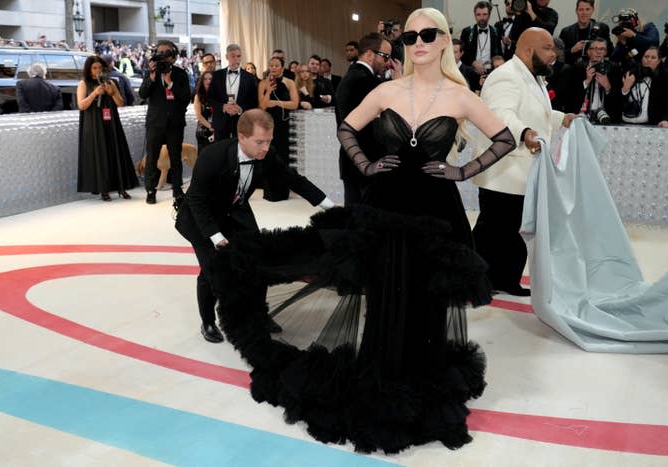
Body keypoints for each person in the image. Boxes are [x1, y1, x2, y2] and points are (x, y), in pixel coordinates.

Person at [215, 7, 517, 454]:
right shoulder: (387, 89)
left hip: (436, 214)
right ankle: (385, 385)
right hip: (387, 207)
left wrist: (461, 171)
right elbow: (347, 127)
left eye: (428, 34)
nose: (417, 43)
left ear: (443, 40)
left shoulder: (461, 96)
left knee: (425, 300)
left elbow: (505, 139)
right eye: (409, 36)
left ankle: (423, 387)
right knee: (385, 296)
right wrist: (368, 165)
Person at [174, 109, 334, 343]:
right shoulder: (212, 156)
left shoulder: (266, 155)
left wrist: (331, 207)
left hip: (235, 210)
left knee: (258, 260)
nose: (266, 148)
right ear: (241, 137)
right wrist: (217, 237)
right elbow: (197, 201)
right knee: (212, 270)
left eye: (269, 141)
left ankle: (259, 315)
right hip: (201, 217)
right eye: (260, 142)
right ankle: (208, 321)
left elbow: (294, 180)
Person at [472, 28, 577, 296]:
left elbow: (536, 112)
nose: (554, 54)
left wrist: (561, 118)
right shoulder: (505, 76)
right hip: (503, 172)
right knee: (494, 232)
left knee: (515, 232)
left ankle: (505, 280)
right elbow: (500, 114)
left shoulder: (533, 76)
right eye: (548, 48)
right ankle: (476, 282)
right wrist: (524, 132)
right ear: (528, 50)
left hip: (522, 171)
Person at [334, 32, 398, 206]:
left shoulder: (352, 77)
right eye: (385, 57)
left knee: (356, 218)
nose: (388, 63)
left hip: (353, 161)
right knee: (367, 221)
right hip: (366, 162)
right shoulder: (364, 81)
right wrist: (399, 82)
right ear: (369, 53)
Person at [76, 56, 138, 201]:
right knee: (100, 154)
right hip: (94, 125)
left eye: (100, 68)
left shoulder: (111, 82)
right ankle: (104, 189)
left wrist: (112, 93)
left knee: (116, 152)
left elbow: (120, 103)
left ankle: (121, 187)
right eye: (94, 68)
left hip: (112, 123)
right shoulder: (84, 84)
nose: (97, 71)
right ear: (89, 69)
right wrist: (94, 94)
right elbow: (82, 105)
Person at [139, 40, 191, 205]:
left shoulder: (180, 74)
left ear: (173, 56)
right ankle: (150, 190)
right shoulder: (151, 72)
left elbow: (185, 97)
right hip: (155, 123)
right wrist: (152, 77)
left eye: (166, 53)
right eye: (160, 52)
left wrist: (170, 83)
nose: (163, 56)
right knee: (152, 158)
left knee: (175, 158)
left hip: (174, 123)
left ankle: (177, 190)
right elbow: (142, 93)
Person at [258, 56, 299, 201]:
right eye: (271, 65)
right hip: (268, 124)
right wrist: (268, 91)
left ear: (282, 67)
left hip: (284, 124)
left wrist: (276, 102)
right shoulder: (263, 83)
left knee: (283, 155)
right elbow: (262, 106)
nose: (273, 68)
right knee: (268, 155)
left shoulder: (290, 82)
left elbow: (294, 104)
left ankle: (283, 190)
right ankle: (269, 191)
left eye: (276, 65)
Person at [207, 44, 259, 142]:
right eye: (233, 56)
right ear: (227, 57)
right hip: (221, 121)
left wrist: (241, 109)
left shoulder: (250, 78)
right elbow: (210, 98)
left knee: (240, 152)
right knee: (221, 152)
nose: (236, 59)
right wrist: (223, 106)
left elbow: (254, 102)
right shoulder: (217, 75)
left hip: (242, 121)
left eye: (238, 56)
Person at [565, 37, 622, 122]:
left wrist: (607, 86)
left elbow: (619, 100)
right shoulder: (578, 68)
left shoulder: (614, 69)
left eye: (602, 49)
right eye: (595, 48)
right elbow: (570, 97)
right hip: (582, 115)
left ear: (606, 52)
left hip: (606, 117)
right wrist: (586, 82)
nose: (598, 52)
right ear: (588, 51)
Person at [620, 46, 668, 128]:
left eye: (653, 58)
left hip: (651, 125)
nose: (649, 60)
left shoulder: (665, 76)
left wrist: (666, 119)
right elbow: (616, 102)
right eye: (646, 57)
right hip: (626, 124)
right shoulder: (630, 74)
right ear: (642, 58)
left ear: (659, 61)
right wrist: (625, 89)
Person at [558, 0, 612, 66]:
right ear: (576, 11)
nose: (584, 13)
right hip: (573, 70)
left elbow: (610, 51)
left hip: (596, 70)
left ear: (592, 10)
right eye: (581, 10)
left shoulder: (602, 28)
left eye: (587, 9)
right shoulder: (566, 32)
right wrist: (572, 50)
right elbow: (558, 56)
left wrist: (599, 50)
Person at [459, 1, 502, 76]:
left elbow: (499, 54)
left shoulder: (496, 32)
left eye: (484, 14)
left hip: (491, 73)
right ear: (475, 16)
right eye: (478, 15)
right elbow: (461, 54)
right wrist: (473, 63)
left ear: (489, 15)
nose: (481, 18)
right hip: (471, 73)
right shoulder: (467, 32)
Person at [194, 71, 215, 154]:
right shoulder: (198, 96)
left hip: (218, 130)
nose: (208, 81)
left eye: (210, 79)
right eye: (205, 79)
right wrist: (211, 127)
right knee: (204, 159)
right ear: (202, 82)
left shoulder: (218, 95)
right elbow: (199, 115)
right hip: (204, 132)